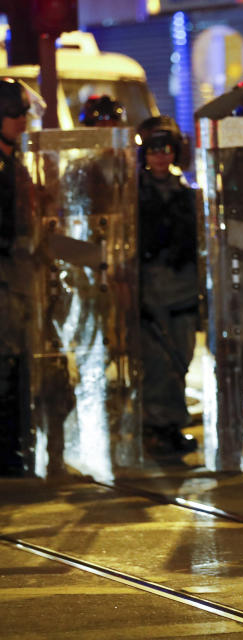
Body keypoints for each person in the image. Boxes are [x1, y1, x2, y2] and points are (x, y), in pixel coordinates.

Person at [136, 116, 200, 460]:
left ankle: (172, 426)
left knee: (181, 361)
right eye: (154, 150)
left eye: (166, 150)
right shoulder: (133, 195)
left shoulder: (185, 195)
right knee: (157, 366)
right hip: (150, 296)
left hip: (183, 295)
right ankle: (157, 428)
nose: (160, 156)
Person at [0, 78, 31, 475]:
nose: (22, 120)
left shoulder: (15, 161)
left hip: (18, 277)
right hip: (5, 276)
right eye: (14, 114)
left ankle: (12, 445)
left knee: (15, 362)